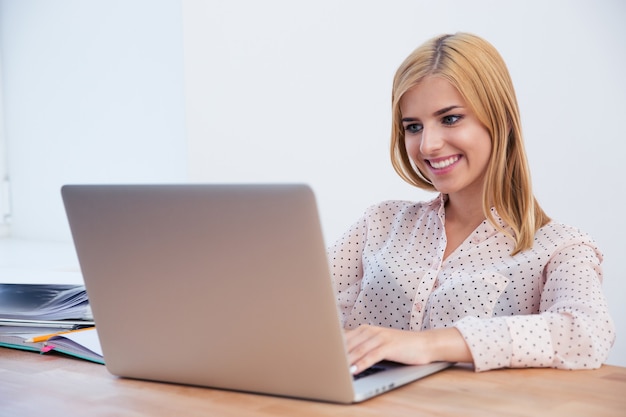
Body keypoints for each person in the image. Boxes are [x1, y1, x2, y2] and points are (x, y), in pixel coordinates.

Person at [328, 32, 615, 374]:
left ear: (501, 120)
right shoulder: (380, 224)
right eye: (414, 126)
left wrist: (430, 344)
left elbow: (586, 333)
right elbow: (294, 308)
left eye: (450, 118)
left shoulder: (560, 248)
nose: (428, 145)